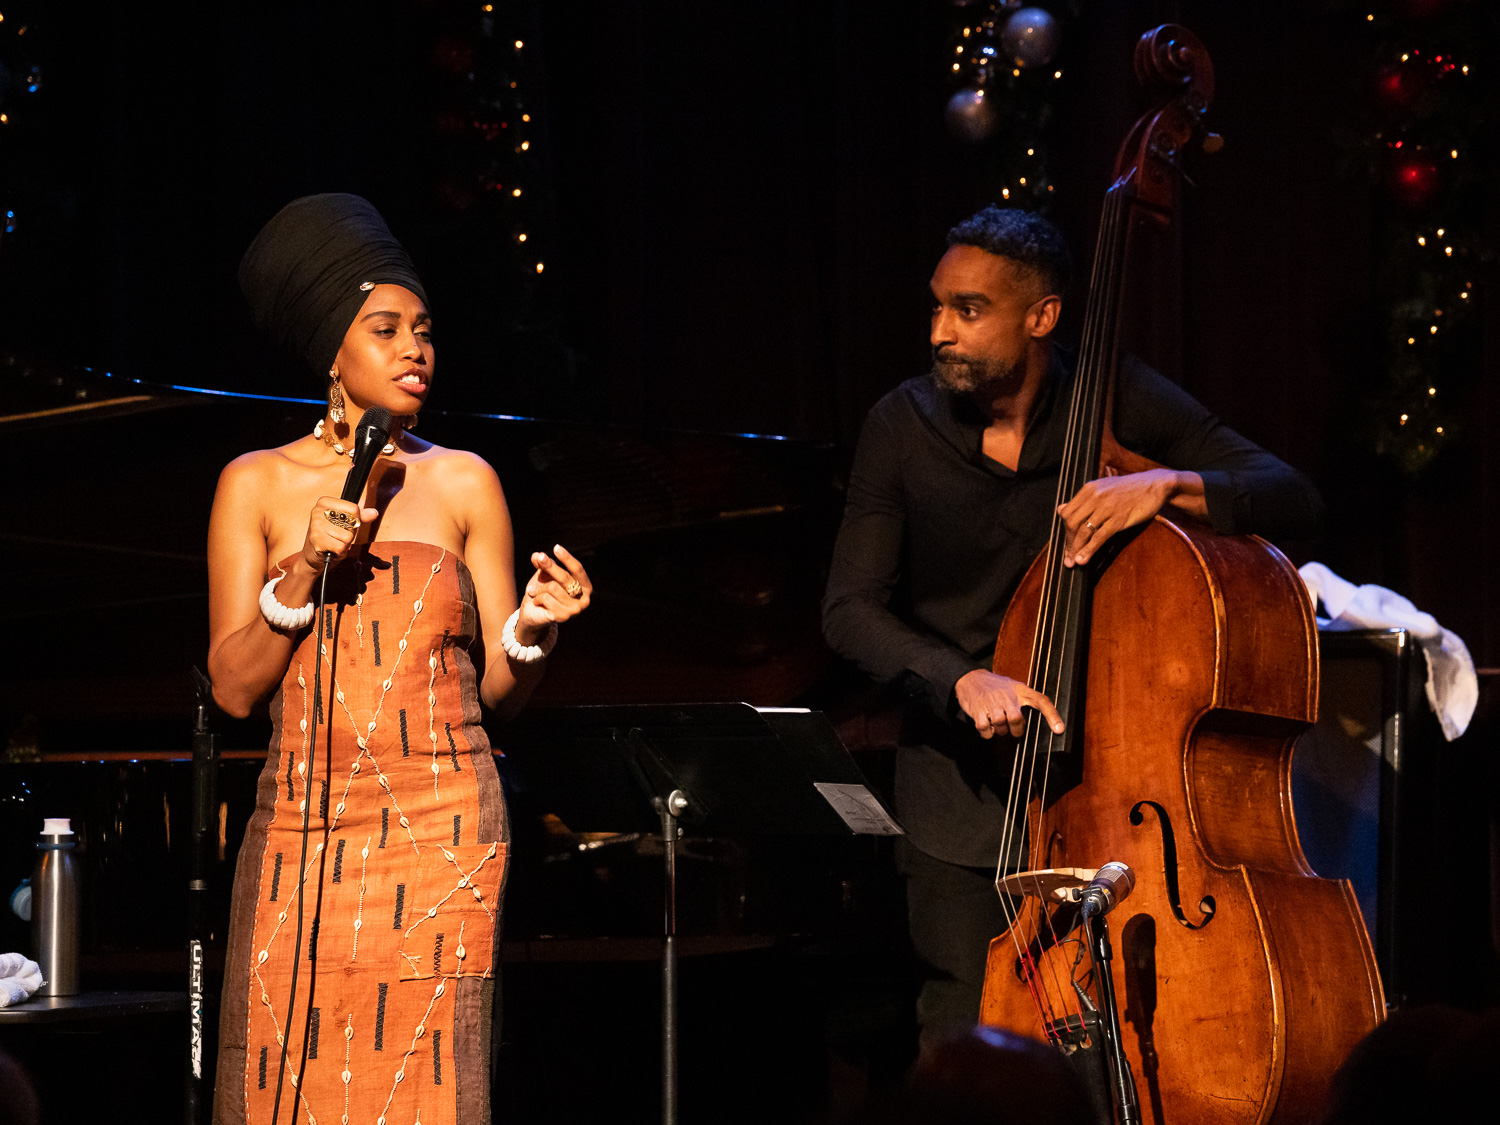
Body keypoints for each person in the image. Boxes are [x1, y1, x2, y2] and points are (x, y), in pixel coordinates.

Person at [821, 206, 1321, 1045]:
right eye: (937, 307)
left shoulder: (1111, 395)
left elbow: (1290, 492)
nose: (941, 331)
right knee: (964, 1031)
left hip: (1112, 781)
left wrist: (1165, 482)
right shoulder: (900, 426)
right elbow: (848, 608)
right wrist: (958, 677)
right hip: (960, 791)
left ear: (1041, 317)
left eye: (969, 310)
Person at [208, 194, 591, 1125]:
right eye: (387, 330)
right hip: (300, 832)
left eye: (423, 330)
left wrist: (536, 626)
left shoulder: (465, 480)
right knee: (274, 1085)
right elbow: (232, 687)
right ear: (331, 354)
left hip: (441, 833)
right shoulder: (254, 484)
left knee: (429, 1094)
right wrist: (305, 565)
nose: (417, 347)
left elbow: (504, 690)